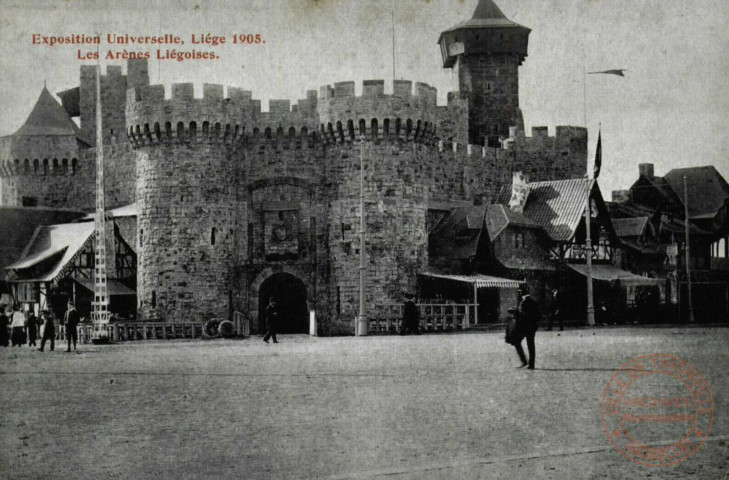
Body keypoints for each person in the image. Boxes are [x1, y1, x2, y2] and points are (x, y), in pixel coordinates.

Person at [513, 284, 540, 370]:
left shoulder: (523, 303)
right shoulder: (534, 303)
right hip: (532, 327)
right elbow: (539, 315)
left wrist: (513, 312)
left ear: (521, 293)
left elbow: (521, 314)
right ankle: (532, 364)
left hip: (523, 327)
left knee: (516, 341)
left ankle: (524, 360)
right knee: (531, 345)